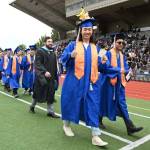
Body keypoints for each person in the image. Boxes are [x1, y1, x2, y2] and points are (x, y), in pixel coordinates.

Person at [61, 8, 108, 147]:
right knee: (71, 103)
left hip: (91, 82)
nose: (87, 32)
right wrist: (70, 55)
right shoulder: (72, 45)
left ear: (92, 31)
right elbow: (63, 59)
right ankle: (66, 125)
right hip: (75, 81)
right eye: (84, 29)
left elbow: (99, 66)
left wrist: (103, 62)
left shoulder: (96, 48)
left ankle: (95, 135)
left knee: (93, 106)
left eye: (89, 29)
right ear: (80, 31)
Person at [99, 33, 143, 135]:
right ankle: (98, 119)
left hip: (120, 85)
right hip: (108, 84)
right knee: (104, 102)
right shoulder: (107, 53)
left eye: (123, 43)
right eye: (119, 42)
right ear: (114, 42)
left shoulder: (122, 56)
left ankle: (130, 127)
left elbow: (125, 69)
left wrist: (130, 71)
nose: (121, 44)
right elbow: (102, 68)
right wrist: (120, 70)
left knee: (122, 104)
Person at [29, 37, 59, 118]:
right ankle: (32, 106)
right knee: (37, 93)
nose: (50, 43)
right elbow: (38, 63)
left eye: (51, 41)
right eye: (49, 41)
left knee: (51, 94)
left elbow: (54, 66)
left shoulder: (52, 52)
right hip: (41, 77)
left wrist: (56, 76)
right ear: (45, 42)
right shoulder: (40, 51)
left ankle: (50, 112)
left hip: (51, 77)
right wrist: (44, 71)